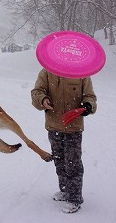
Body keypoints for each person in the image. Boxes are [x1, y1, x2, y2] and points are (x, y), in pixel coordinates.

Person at [31, 69, 97, 214]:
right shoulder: (47, 72)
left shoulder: (82, 72)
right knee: (59, 160)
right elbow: (36, 92)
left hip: (74, 127)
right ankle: (65, 190)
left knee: (73, 162)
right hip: (53, 125)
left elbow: (90, 96)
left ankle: (74, 198)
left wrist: (88, 106)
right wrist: (42, 99)